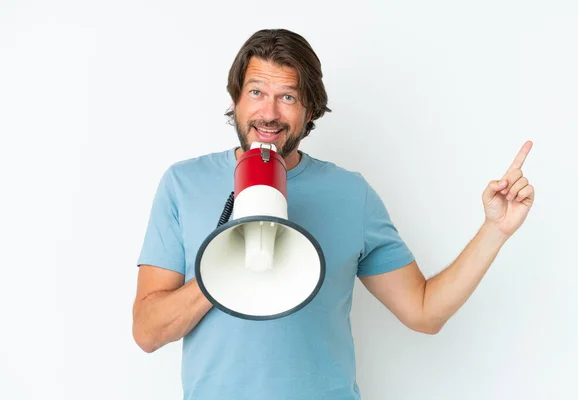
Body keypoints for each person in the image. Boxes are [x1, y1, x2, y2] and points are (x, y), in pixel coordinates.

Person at [132, 29, 535, 399]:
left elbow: (424, 312)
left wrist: (494, 230)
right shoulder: (183, 185)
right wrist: (227, 268)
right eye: (256, 92)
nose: (268, 113)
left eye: (287, 97)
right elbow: (147, 332)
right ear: (236, 99)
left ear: (310, 111)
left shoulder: (350, 194)